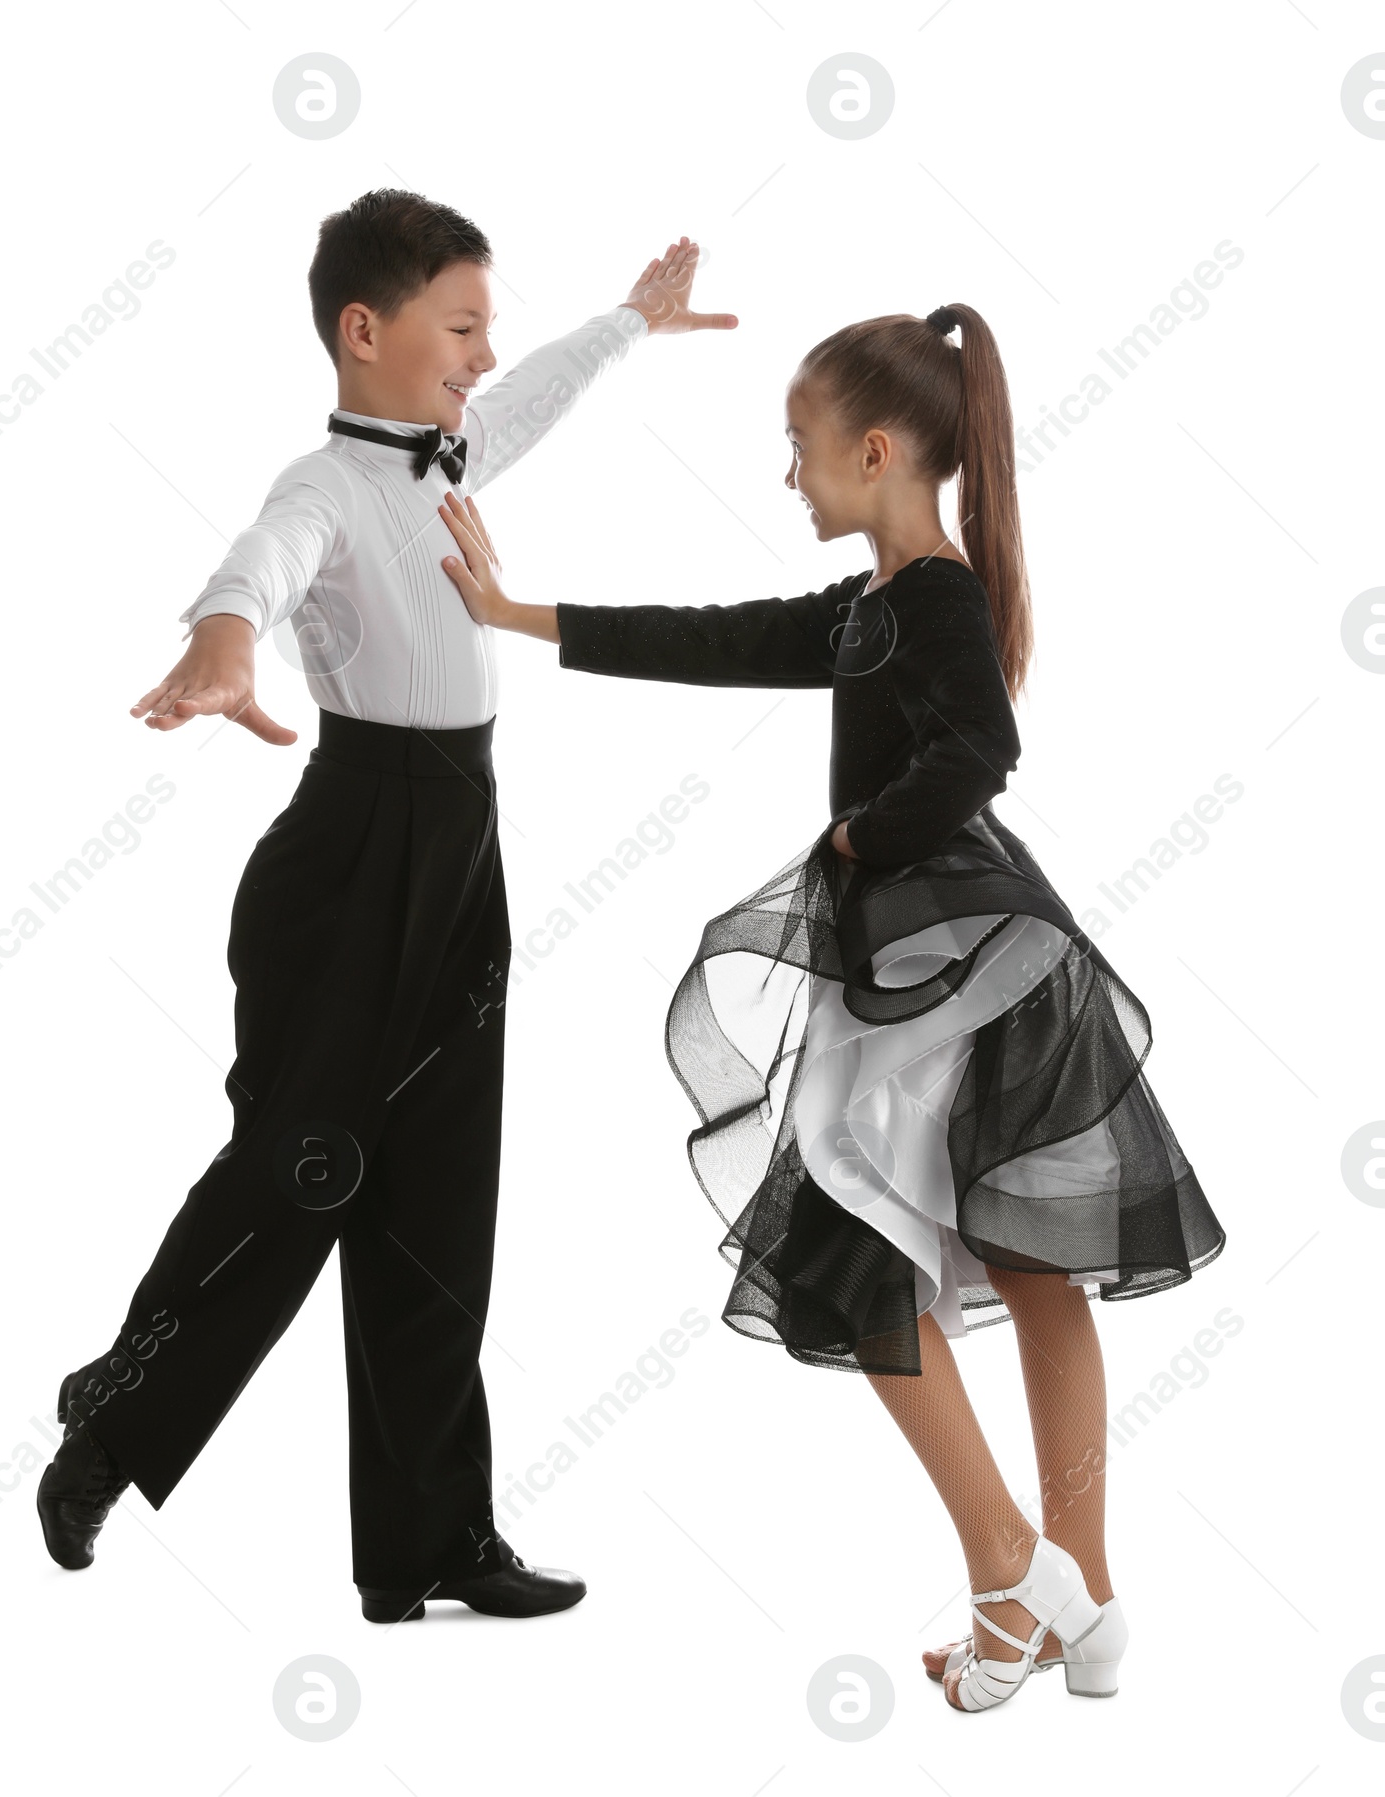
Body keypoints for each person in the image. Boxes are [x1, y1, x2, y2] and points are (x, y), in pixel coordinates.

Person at [434, 300, 1226, 1705]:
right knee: (1020, 1271)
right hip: (951, 958)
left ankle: (1017, 1576)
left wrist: (865, 840)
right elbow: (718, 638)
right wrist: (517, 614)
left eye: (798, 449)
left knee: (862, 1267)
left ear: (872, 451)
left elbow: (985, 743)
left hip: (951, 960)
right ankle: (1076, 1602)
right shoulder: (878, 606)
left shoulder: (933, 598)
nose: (786, 474)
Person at [35, 189, 736, 1624]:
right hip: (352, 861)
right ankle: (115, 1415)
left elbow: (529, 403)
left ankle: (427, 1541)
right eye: (460, 326)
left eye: (487, 327)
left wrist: (630, 322)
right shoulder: (324, 487)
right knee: (305, 1173)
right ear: (366, 332)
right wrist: (225, 650)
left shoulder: (450, 450)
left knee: (435, 1201)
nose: (485, 354)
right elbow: (257, 571)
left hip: (462, 845)